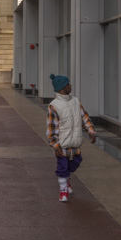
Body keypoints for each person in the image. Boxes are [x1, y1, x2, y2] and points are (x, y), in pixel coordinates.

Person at [46, 74, 96, 202]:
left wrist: (91, 131)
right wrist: (55, 145)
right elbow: (52, 128)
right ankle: (63, 190)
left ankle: (66, 179)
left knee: (75, 163)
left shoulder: (75, 101)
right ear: (63, 87)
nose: (70, 86)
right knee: (62, 167)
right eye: (68, 84)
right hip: (62, 144)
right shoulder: (54, 106)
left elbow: (84, 117)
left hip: (75, 142)